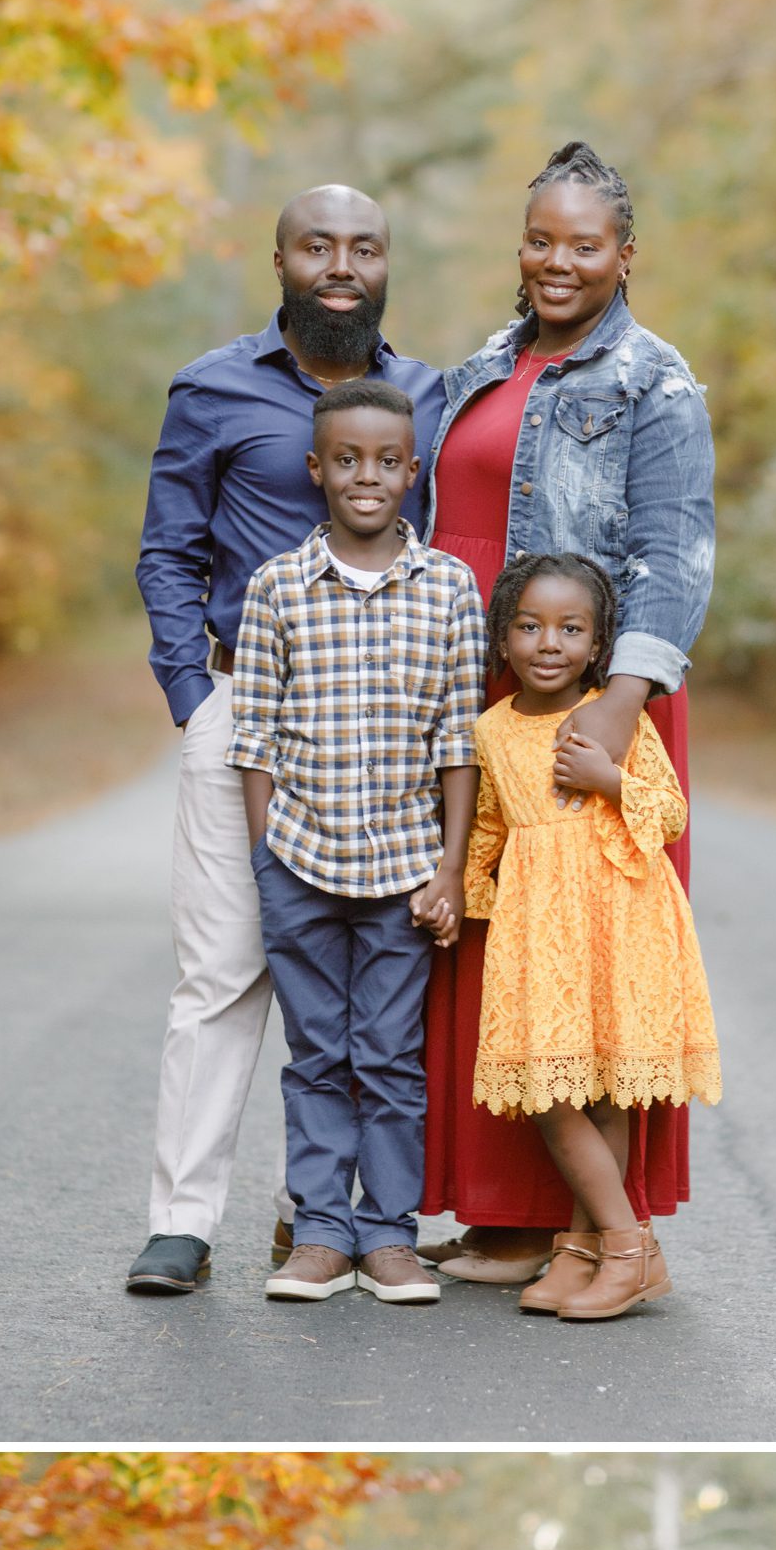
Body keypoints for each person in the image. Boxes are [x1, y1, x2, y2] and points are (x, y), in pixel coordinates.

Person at [128, 185, 445, 1295]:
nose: (341, 265)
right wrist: (190, 694)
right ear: (281, 260)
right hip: (243, 717)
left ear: (385, 263)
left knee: (368, 994)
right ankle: (183, 1223)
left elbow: (435, 545)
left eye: (363, 246)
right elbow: (166, 550)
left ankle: (334, 1213)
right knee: (222, 972)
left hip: (382, 743)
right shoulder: (212, 388)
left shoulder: (423, 393)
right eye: (320, 245)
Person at [422, 139, 716, 1287]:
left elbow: (675, 550)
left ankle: (596, 1224)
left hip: (590, 693)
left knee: (587, 960)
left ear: (624, 256)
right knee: (492, 946)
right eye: (539, 239)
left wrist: (621, 702)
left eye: (582, 245)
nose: (556, 261)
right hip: (488, 678)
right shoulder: (483, 364)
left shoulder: (655, 380)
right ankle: (502, 1216)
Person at [226, 381, 481, 1302]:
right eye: (346, 460)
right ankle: (321, 1233)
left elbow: (459, 739)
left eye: (385, 462)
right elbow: (252, 733)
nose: (365, 477)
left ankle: (389, 1236)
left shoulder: (449, 588)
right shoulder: (278, 587)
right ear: (317, 471)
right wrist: (266, 854)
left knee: (388, 1055)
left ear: (413, 471)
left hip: (406, 870)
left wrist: (450, 867)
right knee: (317, 1056)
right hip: (300, 857)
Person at [462, 554, 721, 1324]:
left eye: (571, 629)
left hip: (622, 916)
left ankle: (615, 1247)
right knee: (552, 1089)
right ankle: (598, 1247)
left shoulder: (615, 716)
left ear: (598, 642)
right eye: (530, 626)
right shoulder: (493, 730)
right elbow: (489, 827)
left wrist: (610, 779)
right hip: (541, 928)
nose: (550, 643)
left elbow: (668, 814)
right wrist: (463, 891)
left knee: (609, 1086)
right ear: (503, 639)